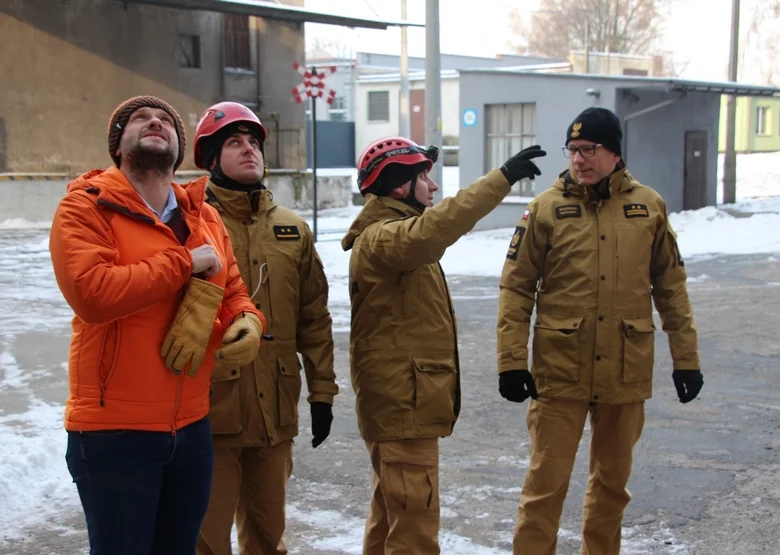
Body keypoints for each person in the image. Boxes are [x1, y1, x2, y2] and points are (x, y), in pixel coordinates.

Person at [49, 95, 266, 555]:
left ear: (178, 145)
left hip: (190, 428)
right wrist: (183, 262)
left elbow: (233, 290)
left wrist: (247, 318)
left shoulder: (204, 216)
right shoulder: (85, 208)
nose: (155, 122)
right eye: (139, 119)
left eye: (165, 119)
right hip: (113, 433)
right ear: (118, 145)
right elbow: (93, 294)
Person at [496, 107, 703, 554]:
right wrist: (511, 362)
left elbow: (671, 288)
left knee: (611, 490)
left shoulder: (648, 206)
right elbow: (516, 289)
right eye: (572, 151)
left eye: (588, 150)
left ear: (614, 152)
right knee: (544, 490)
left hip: (624, 373)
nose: (578, 160)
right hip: (559, 371)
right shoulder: (545, 209)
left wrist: (687, 360)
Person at [341, 136, 546, 554]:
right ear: (399, 186)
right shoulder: (384, 238)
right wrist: (502, 178)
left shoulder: (396, 237)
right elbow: (437, 228)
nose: (433, 188)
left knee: (391, 520)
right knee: (413, 532)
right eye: (424, 177)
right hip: (403, 408)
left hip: (404, 406)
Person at [190, 101, 338, 555]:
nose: (249, 149)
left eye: (254, 142)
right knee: (207, 542)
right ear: (211, 158)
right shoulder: (188, 223)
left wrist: (322, 394)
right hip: (208, 415)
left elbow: (314, 317)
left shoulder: (292, 229)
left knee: (268, 537)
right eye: (234, 142)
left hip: (275, 413)